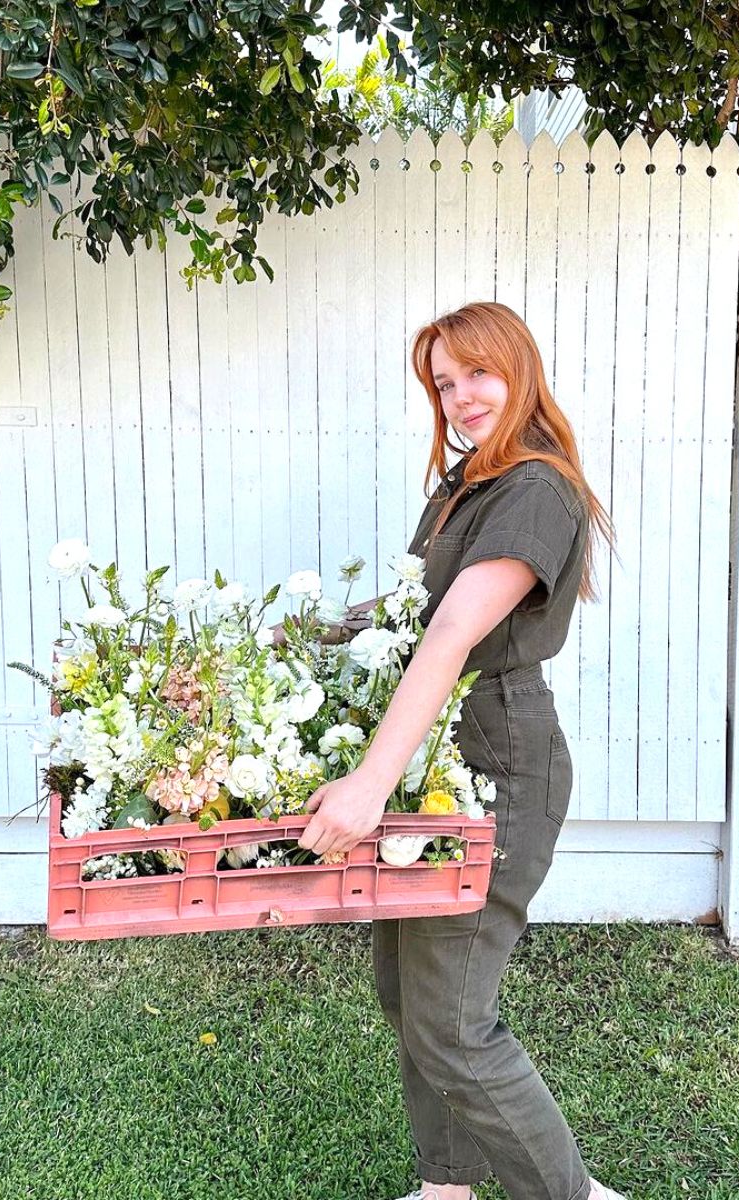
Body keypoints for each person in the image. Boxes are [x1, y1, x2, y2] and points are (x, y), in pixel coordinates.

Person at [294, 301, 622, 1200]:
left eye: (477, 373)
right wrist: (309, 639)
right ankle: (447, 1187)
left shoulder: (536, 491)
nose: (461, 397)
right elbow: (412, 613)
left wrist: (369, 784)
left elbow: (450, 639)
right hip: (443, 765)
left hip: (499, 765)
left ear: (518, 368)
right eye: (444, 383)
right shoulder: (467, 484)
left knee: (452, 1022)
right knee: (413, 1003)